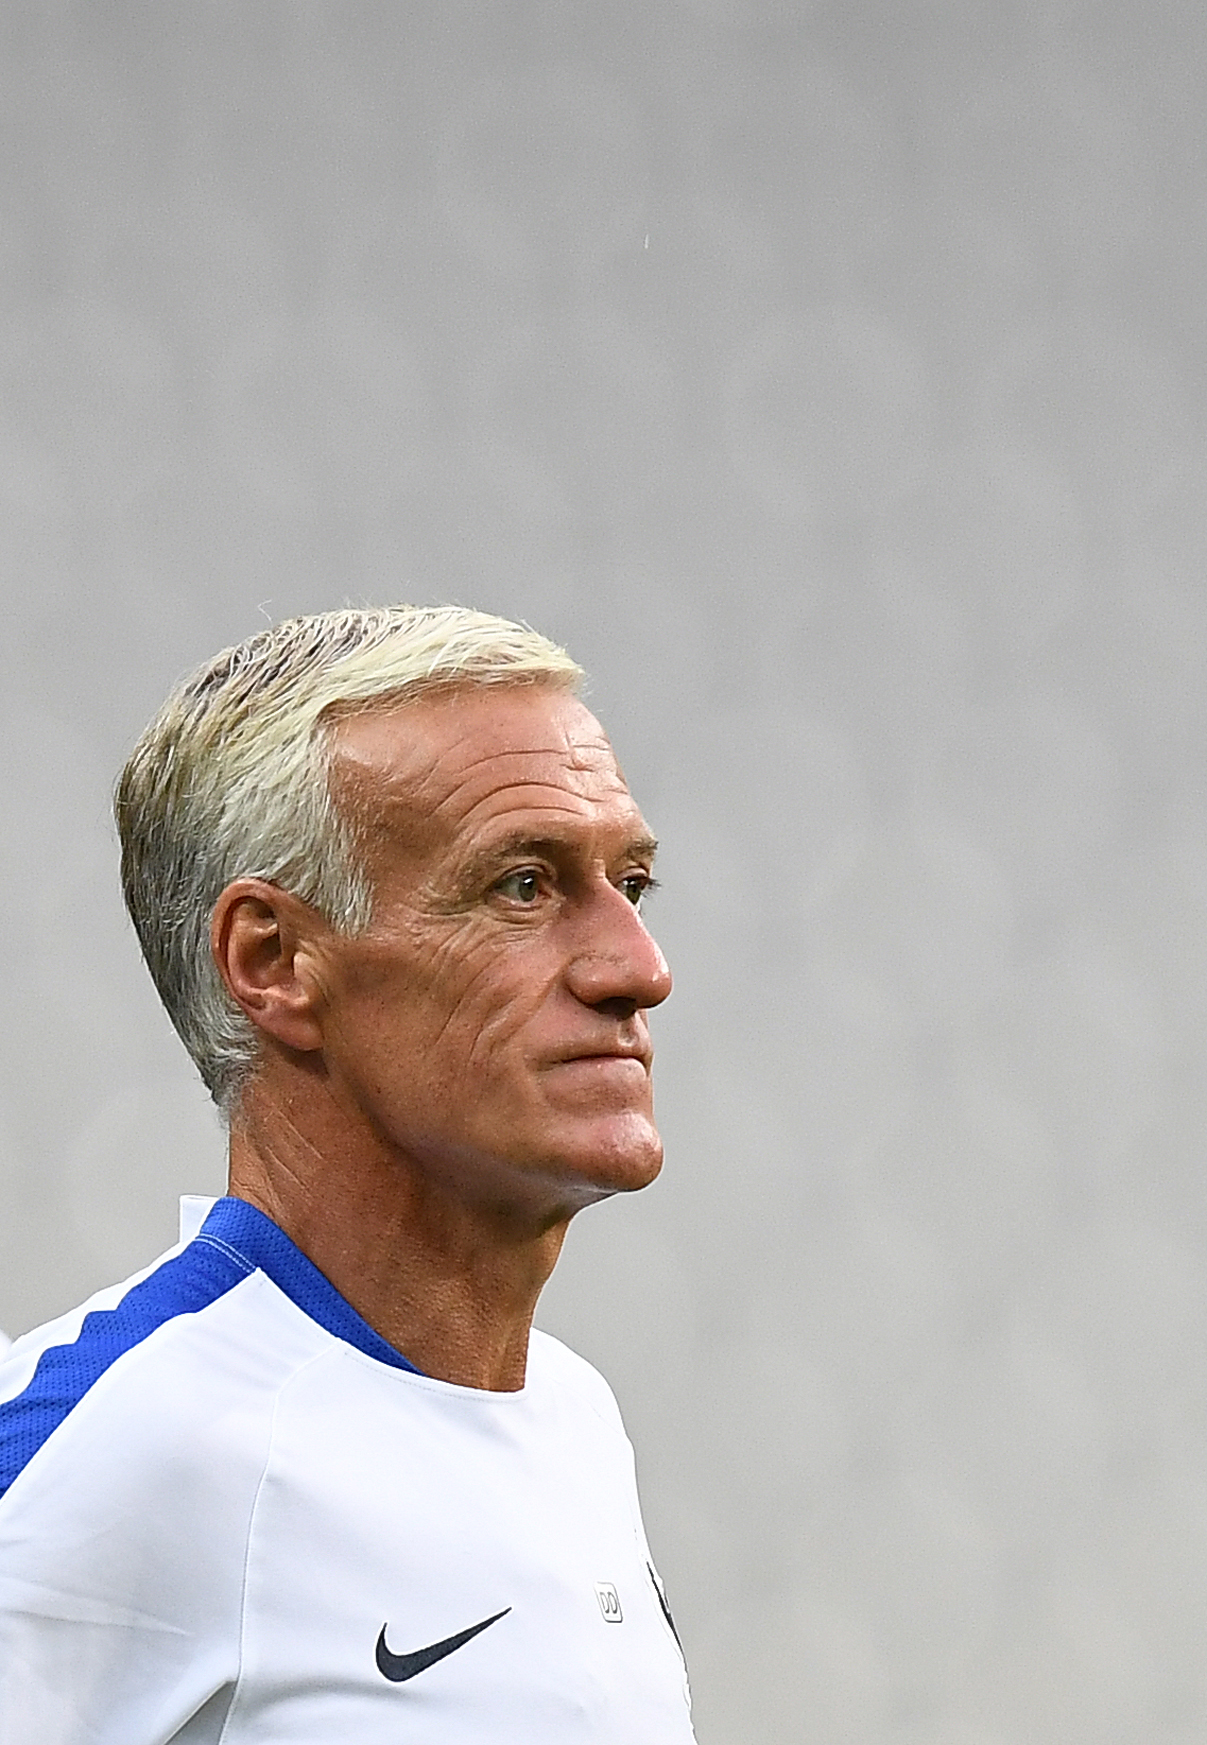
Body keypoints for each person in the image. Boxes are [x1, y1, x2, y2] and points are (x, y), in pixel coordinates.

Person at [0, 607, 695, 1742]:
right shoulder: (124, 1443)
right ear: (273, 961)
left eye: (633, 883)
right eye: (523, 885)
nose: (639, 968)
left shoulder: (573, 1411)